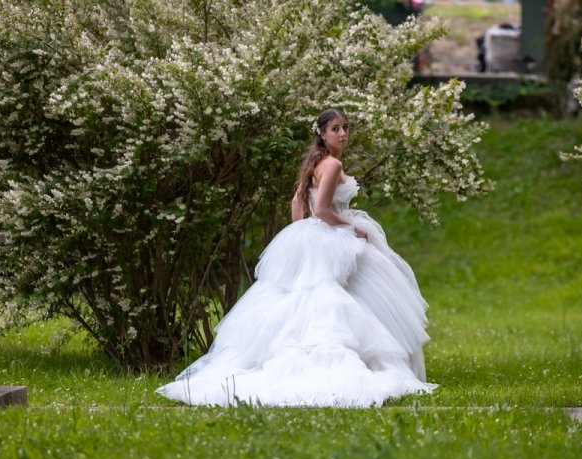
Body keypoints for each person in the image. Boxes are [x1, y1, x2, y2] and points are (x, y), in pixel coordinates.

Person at [156, 108, 436, 407]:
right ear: (322, 134)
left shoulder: (315, 163)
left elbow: (298, 202)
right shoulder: (330, 165)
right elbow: (323, 210)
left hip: (319, 236)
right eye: (336, 129)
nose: (343, 134)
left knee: (321, 296)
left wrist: (302, 232)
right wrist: (351, 228)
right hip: (332, 232)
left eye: (345, 128)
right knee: (330, 298)